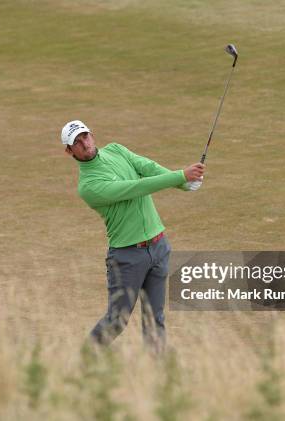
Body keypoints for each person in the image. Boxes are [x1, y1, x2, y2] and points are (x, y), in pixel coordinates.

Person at [61, 120, 204, 353]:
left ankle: (156, 375)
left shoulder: (116, 150)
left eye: (85, 136)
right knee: (117, 319)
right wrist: (181, 175)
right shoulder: (88, 185)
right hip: (127, 257)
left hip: (158, 247)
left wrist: (185, 184)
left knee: (154, 318)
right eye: (76, 142)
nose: (84, 143)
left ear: (92, 135)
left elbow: (148, 167)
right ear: (69, 151)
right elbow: (136, 188)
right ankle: (84, 361)